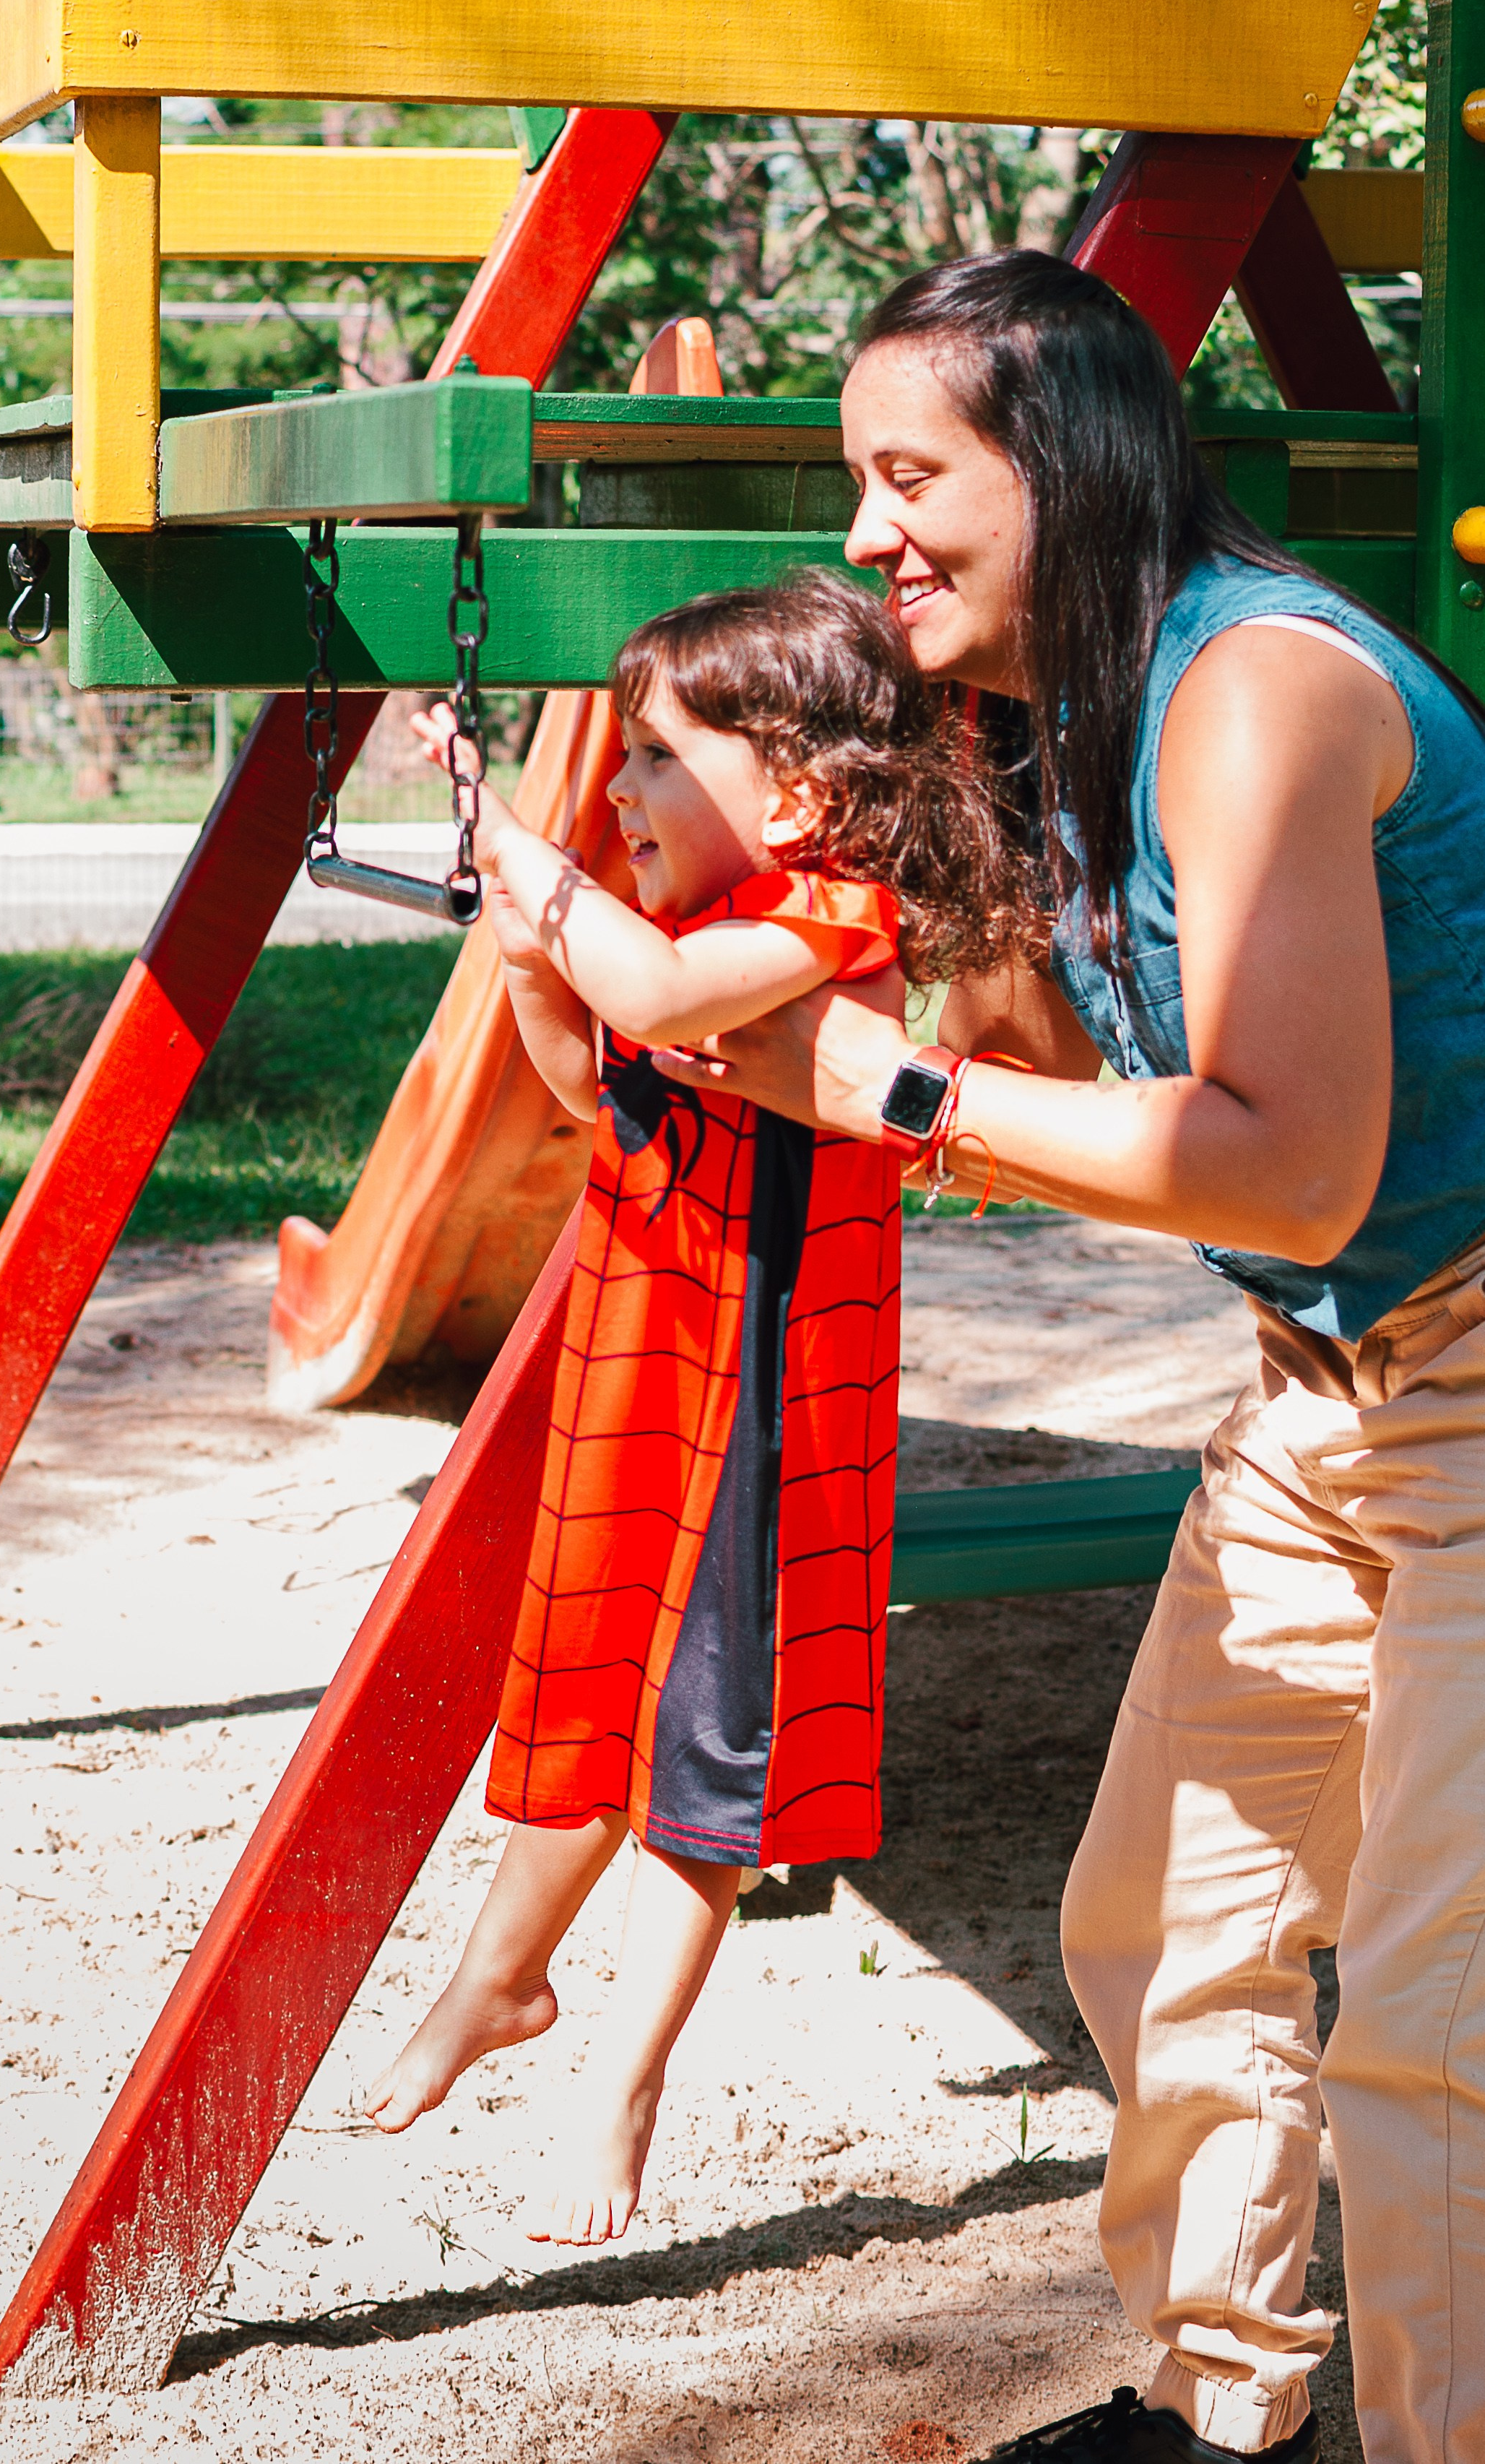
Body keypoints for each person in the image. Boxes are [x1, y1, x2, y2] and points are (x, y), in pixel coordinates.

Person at [664, 250, 1485, 2464]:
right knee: (1157, 1917)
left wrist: (893, 1092)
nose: (863, 532)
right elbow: (1062, 1081)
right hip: (1325, 1384)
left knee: (1425, 2028)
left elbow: (1286, 1164)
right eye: (856, 480)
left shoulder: (1259, 696)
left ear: (1068, 467)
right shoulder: (1073, 718)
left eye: (908, 472)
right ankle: (1221, 2408)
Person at [363, 574, 1037, 2247]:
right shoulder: (689, 932)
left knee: (705, 1757)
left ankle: (623, 2079)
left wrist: (538, 875)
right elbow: (601, 1077)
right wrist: (536, 960)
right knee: (591, 1696)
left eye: (655, 757)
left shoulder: (833, 926)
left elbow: (658, 1011)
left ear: (795, 794)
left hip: (764, 1394)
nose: (617, 792)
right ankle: (499, 1980)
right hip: (646, 1359)